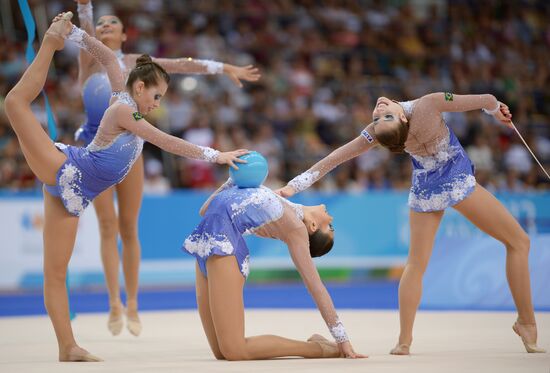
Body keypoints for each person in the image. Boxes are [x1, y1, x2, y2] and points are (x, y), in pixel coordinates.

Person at [4, 12, 247, 362]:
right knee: (14, 103)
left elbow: (106, 55)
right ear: (140, 87)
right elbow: (165, 141)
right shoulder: (124, 111)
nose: (157, 104)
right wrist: (216, 154)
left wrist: (79, 34)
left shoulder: (124, 83)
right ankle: (48, 44)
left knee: (56, 273)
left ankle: (67, 347)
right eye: (157, 96)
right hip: (65, 169)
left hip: (74, 197)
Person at [277, 92, 546, 355]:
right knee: (519, 242)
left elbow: (335, 158)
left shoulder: (377, 130)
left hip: (426, 190)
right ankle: (526, 322)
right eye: (382, 116)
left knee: (416, 265)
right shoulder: (428, 104)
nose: (379, 110)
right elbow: (485, 99)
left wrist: (293, 186)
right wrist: (495, 108)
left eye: (382, 116)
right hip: (455, 182)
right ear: (403, 122)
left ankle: (404, 341)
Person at [74, 0, 260, 337]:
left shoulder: (135, 66)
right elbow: (87, 35)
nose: (104, 26)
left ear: (125, 33)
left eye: (112, 22)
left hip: (130, 150)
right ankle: (114, 300)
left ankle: (132, 302)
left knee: (129, 227)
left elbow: (182, 65)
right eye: (99, 24)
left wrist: (224, 67)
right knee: (106, 225)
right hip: (95, 148)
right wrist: (83, 8)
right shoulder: (90, 60)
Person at [182, 178, 365, 360]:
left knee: (234, 351)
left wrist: (342, 339)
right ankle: (321, 346)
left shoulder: (296, 229)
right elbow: (204, 210)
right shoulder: (280, 199)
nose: (331, 217)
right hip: (205, 244)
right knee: (221, 352)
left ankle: (319, 349)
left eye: (330, 226)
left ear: (313, 226)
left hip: (225, 248)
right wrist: (231, 181)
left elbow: (316, 287)